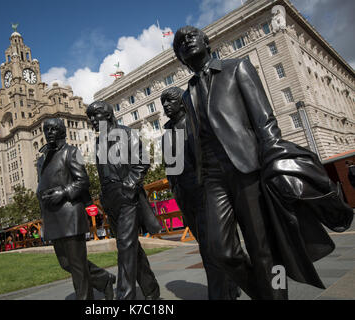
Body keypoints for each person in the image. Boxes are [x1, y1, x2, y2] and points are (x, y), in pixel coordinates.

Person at [173, 25, 353, 300]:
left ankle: (275, 296)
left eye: (191, 35)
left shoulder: (237, 68)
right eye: (180, 43)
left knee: (263, 246)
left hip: (248, 168)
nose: (186, 40)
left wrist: (273, 160)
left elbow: (264, 120)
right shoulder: (187, 95)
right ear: (181, 58)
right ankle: (263, 293)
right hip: (212, 178)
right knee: (221, 250)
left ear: (206, 42)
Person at [160, 86, 240, 300]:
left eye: (170, 100)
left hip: (205, 191)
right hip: (184, 196)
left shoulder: (194, 122)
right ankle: (232, 284)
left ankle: (220, 293)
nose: (166, 105)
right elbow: (170, 166)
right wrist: (173, 186)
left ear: (182, 102)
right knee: (205, 242)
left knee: (209, 247)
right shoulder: (167, 131)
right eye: (163, 103)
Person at [86, 101, 161, 300]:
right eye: (90, 118)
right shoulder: (98, 141)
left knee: (125, 246)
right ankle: (151, 290)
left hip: (127, 195)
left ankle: (125, 296)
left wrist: (129, 184)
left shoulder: (126, 133)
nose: (93, 121)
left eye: (96, 116)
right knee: (131, 248)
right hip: (109, 199)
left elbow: (142, 161)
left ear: (108, 115)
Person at [36, 118, 116, 300]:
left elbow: (83, 181)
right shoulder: (41, 160)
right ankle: (104, 279)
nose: (49, 133)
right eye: (46, 129)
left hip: (70, 213)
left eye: (53, 129)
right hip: (52, 216)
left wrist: (63, 192)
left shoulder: (71, 152)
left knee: (77, 265)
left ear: (62, 131)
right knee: (66, 263)